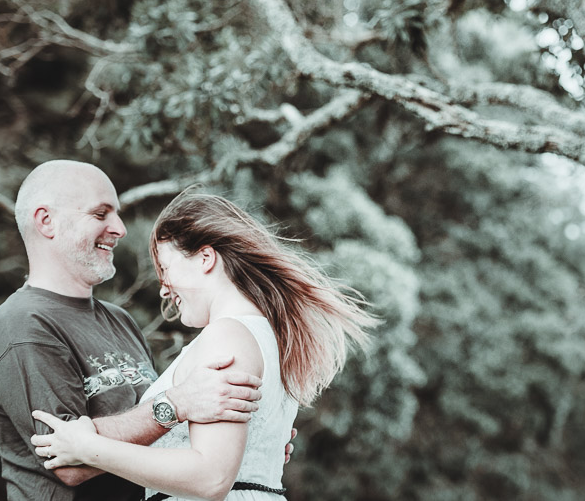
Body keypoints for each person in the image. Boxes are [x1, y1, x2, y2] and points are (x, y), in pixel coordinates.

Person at [30, 189, 376, 500]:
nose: (164, 289)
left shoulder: (227, 335)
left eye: (166, 269)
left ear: (205, 258)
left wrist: (89, 448)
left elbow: (210, 478)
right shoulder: (261, 336)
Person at [0, 160, 266, 501]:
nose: (120, 228)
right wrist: (176, 403)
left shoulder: (119, 320)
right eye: (101, 214)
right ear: (46, 221)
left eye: (117, 213)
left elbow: (154, 434)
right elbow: (69, 463)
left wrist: (247, 441)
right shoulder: (22, 324)